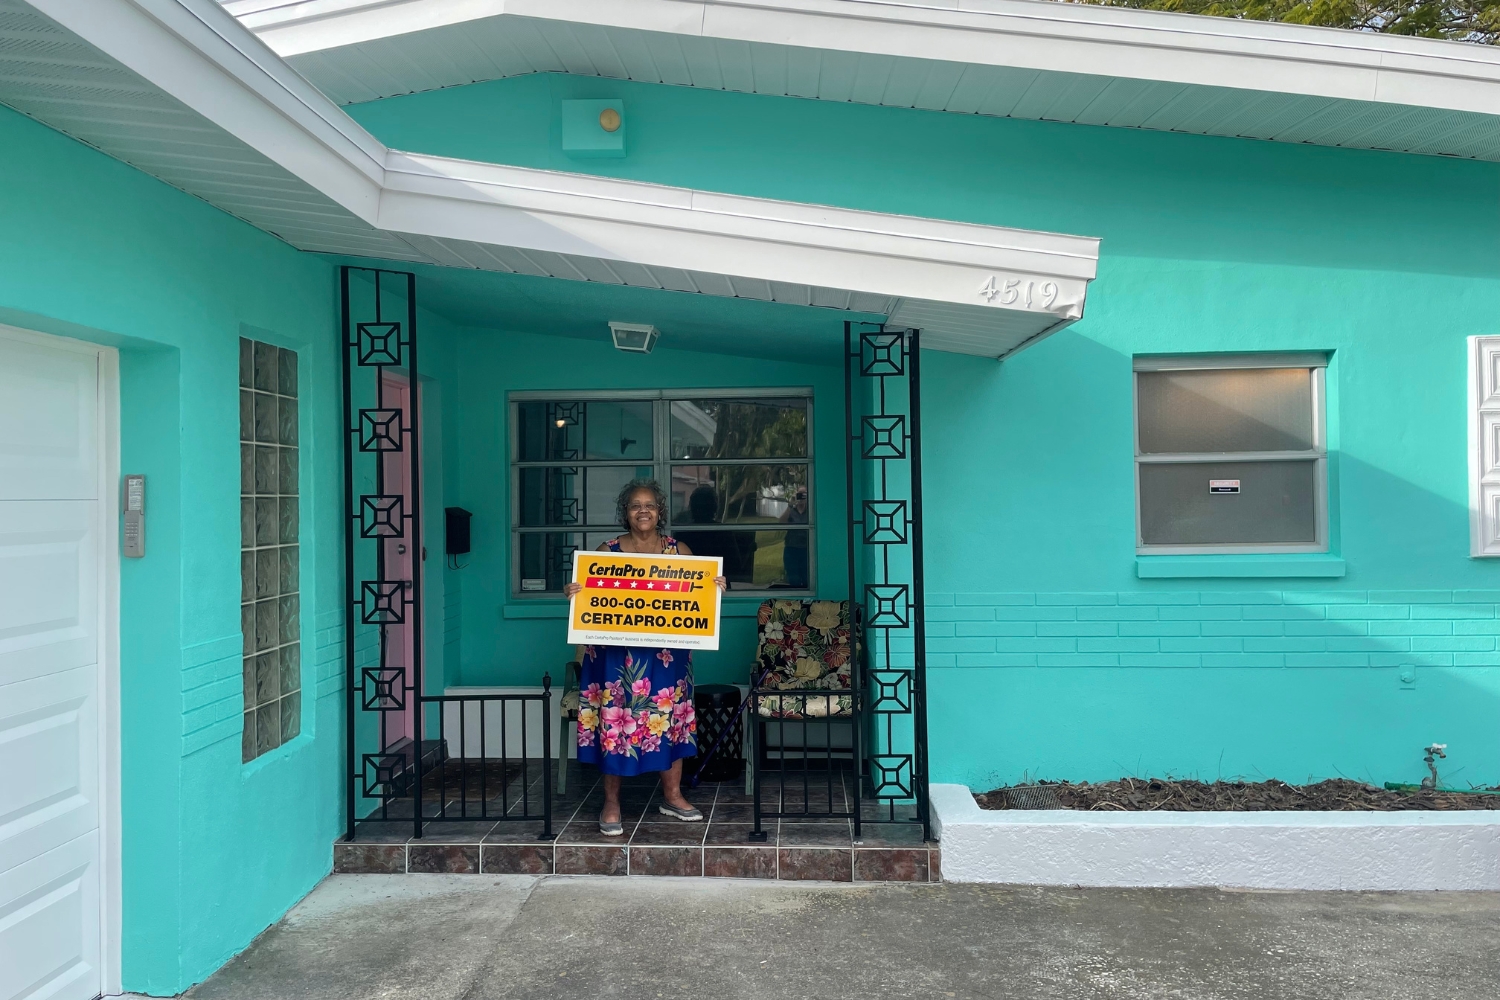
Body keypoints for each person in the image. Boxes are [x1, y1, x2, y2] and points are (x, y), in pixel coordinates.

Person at [563, 478, 729, 835]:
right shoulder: (606, 553)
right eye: (635, 505)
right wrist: (575, 591)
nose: (643, 510)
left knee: (669, 720)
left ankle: (672, 795)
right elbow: (589, 602)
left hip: (667, 657)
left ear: (660, 511)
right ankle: (611, 804)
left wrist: (714, 588)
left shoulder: (678, 551)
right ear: (626, 512)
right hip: (614, 659)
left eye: (650, 505)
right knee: (615, 724)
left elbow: (696, 598)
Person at [779, 486, 809, 589]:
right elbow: (781, 522)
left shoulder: (811, 511)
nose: (801, 497)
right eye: (799, 494)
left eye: (804, 495)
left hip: (806, 549)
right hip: (791, 548)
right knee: (793, 579)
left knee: (807, 579)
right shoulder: (791, 511)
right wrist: (790, 505)